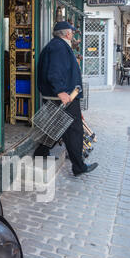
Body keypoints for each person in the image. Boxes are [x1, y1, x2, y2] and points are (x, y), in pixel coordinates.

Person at [37, 21, 98, 176]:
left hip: (58, 96)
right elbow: (54, 72)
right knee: (75, 130)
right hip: (64, 97)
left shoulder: (56, 45)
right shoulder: (59, 47)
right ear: (66, 33)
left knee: (56, 127)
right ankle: (79, 167)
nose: (73, 33)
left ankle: (40, 152)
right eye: (71, 31)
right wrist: (61, 92)